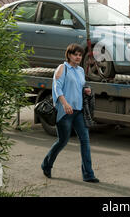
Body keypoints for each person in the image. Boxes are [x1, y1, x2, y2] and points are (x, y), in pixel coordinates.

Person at [41, 44, 99, 183]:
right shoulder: (62, 68)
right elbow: (57, 88)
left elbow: (81, 86)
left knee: (85, 141)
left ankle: (88, 174)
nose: (78, 57)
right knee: (62, 141)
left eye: (80, 55)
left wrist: (87, 90)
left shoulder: (80, 70)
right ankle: (46, 164)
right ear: (69, 55)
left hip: (79, 111)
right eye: (75, 54)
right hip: (65, 111)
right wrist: (65, 104)